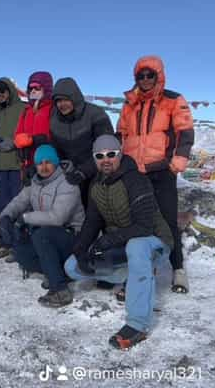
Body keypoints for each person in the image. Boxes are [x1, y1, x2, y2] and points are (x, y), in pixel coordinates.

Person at [64, 134, 173, 350]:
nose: (106, 159)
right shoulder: (96, 185)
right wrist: (80, 250)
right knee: (72, 266)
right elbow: (92, 222)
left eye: (111, 154)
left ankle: (137, 325)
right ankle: (132, 278)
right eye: (100, 155)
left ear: (120, 154)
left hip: (154, 242)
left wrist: (107, 240)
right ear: (94, 159)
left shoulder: (136, 180)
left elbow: (144, 226)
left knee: (137, 246)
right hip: (123, 245)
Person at [117, 56, 194, 294]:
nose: (146, 79)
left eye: (150, 75)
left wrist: (176, 161)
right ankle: (142, 272)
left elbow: (185, 131)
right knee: (139, 223)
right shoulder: (129, 104)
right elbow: (121, 133)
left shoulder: (173, 100)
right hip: (135, 172)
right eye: (141, 75)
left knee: (168, 221)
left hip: (161, 170)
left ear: (159, 75)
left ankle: (178, 269)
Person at [1, 145, 84, 307]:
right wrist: (6, 217)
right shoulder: (35, 182)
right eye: (40, 163)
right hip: (48, 236)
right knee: (20, 249)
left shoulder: (68, 183)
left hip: (73, 238)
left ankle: (60, 289)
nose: (44, 167)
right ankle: (56, 272)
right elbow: (19, 201)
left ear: (56, 163)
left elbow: (57, 218)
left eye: (48, 162)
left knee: (42, 235)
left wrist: (24, 218)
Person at [49, 77, 114, 205]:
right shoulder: (55, 121)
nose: (62, 104)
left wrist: (84, 171)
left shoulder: (95, 114)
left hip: (98, 173)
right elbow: (56, 148)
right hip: (71, 175)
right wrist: (62, 165)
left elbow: (107, 147)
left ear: (75, 98)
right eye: (58, 101)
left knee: (95, 208)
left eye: (66, 99)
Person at [0, 77, 25, 259]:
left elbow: (28, 133)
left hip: (18, 165)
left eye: (2, 91)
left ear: (10, 90)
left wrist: (15, 143)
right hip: (2, 166)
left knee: (18, 207)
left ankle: (19, 246)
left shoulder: (22, 108)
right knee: (3, 207)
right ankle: (6, 243)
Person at [14, 71, 54, 183]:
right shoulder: (27, 110)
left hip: (49, 162)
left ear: (46, 88)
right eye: (30, 88)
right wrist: (19, 142)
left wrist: (43, 139)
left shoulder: (53, 108)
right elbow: (18, 133)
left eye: (37, 88)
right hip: (29, 163)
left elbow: (59, 132)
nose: (33, 91)